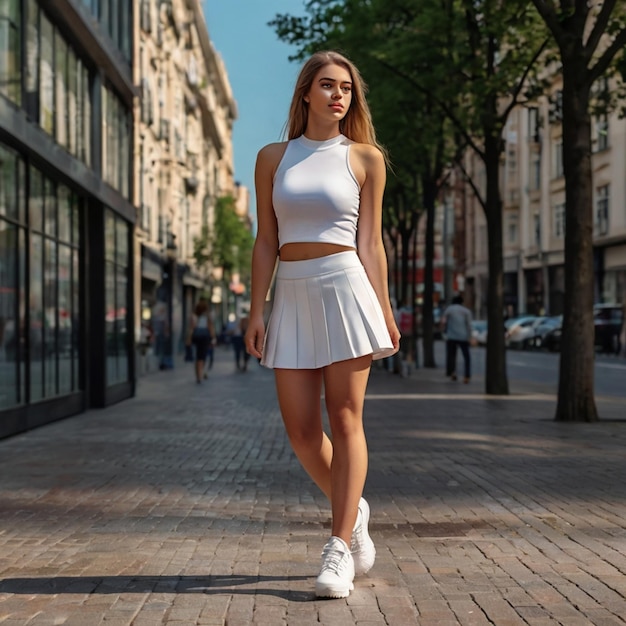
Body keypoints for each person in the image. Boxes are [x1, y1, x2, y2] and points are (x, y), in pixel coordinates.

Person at [245, 50, 400, 599]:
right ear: (306, 92)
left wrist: (383, 308)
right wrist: (255, 308)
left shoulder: (364, 158)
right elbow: (266, 239)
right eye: (328, 86)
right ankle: (353, 507)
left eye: (347, 89)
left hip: (346, 287)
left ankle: (337, 547)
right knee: (302, 431)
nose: (339, 96)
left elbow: (370, 244)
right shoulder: (272, 157)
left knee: (346, 416)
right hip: (291, 290)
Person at [442, 294, 473, 383]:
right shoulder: (466, 311)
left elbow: (443, 321)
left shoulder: (449, 309)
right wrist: (470, 337)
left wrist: (444, 331)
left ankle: (453, 373)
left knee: (451, 356)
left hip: (451, 336)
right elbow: (469, 325)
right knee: (466, 357)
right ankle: (467, 376)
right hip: (463, 336)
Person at [186, 298, 215, 384]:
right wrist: (213, 338)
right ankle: (201, 373)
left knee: (198, 356)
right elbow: (210, 328)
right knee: (202, 356)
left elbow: (191, 328)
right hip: (205, 337)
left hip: (196, 337)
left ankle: (198, 374)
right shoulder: (207, 316)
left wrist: (189, 338)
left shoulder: (194, 316)